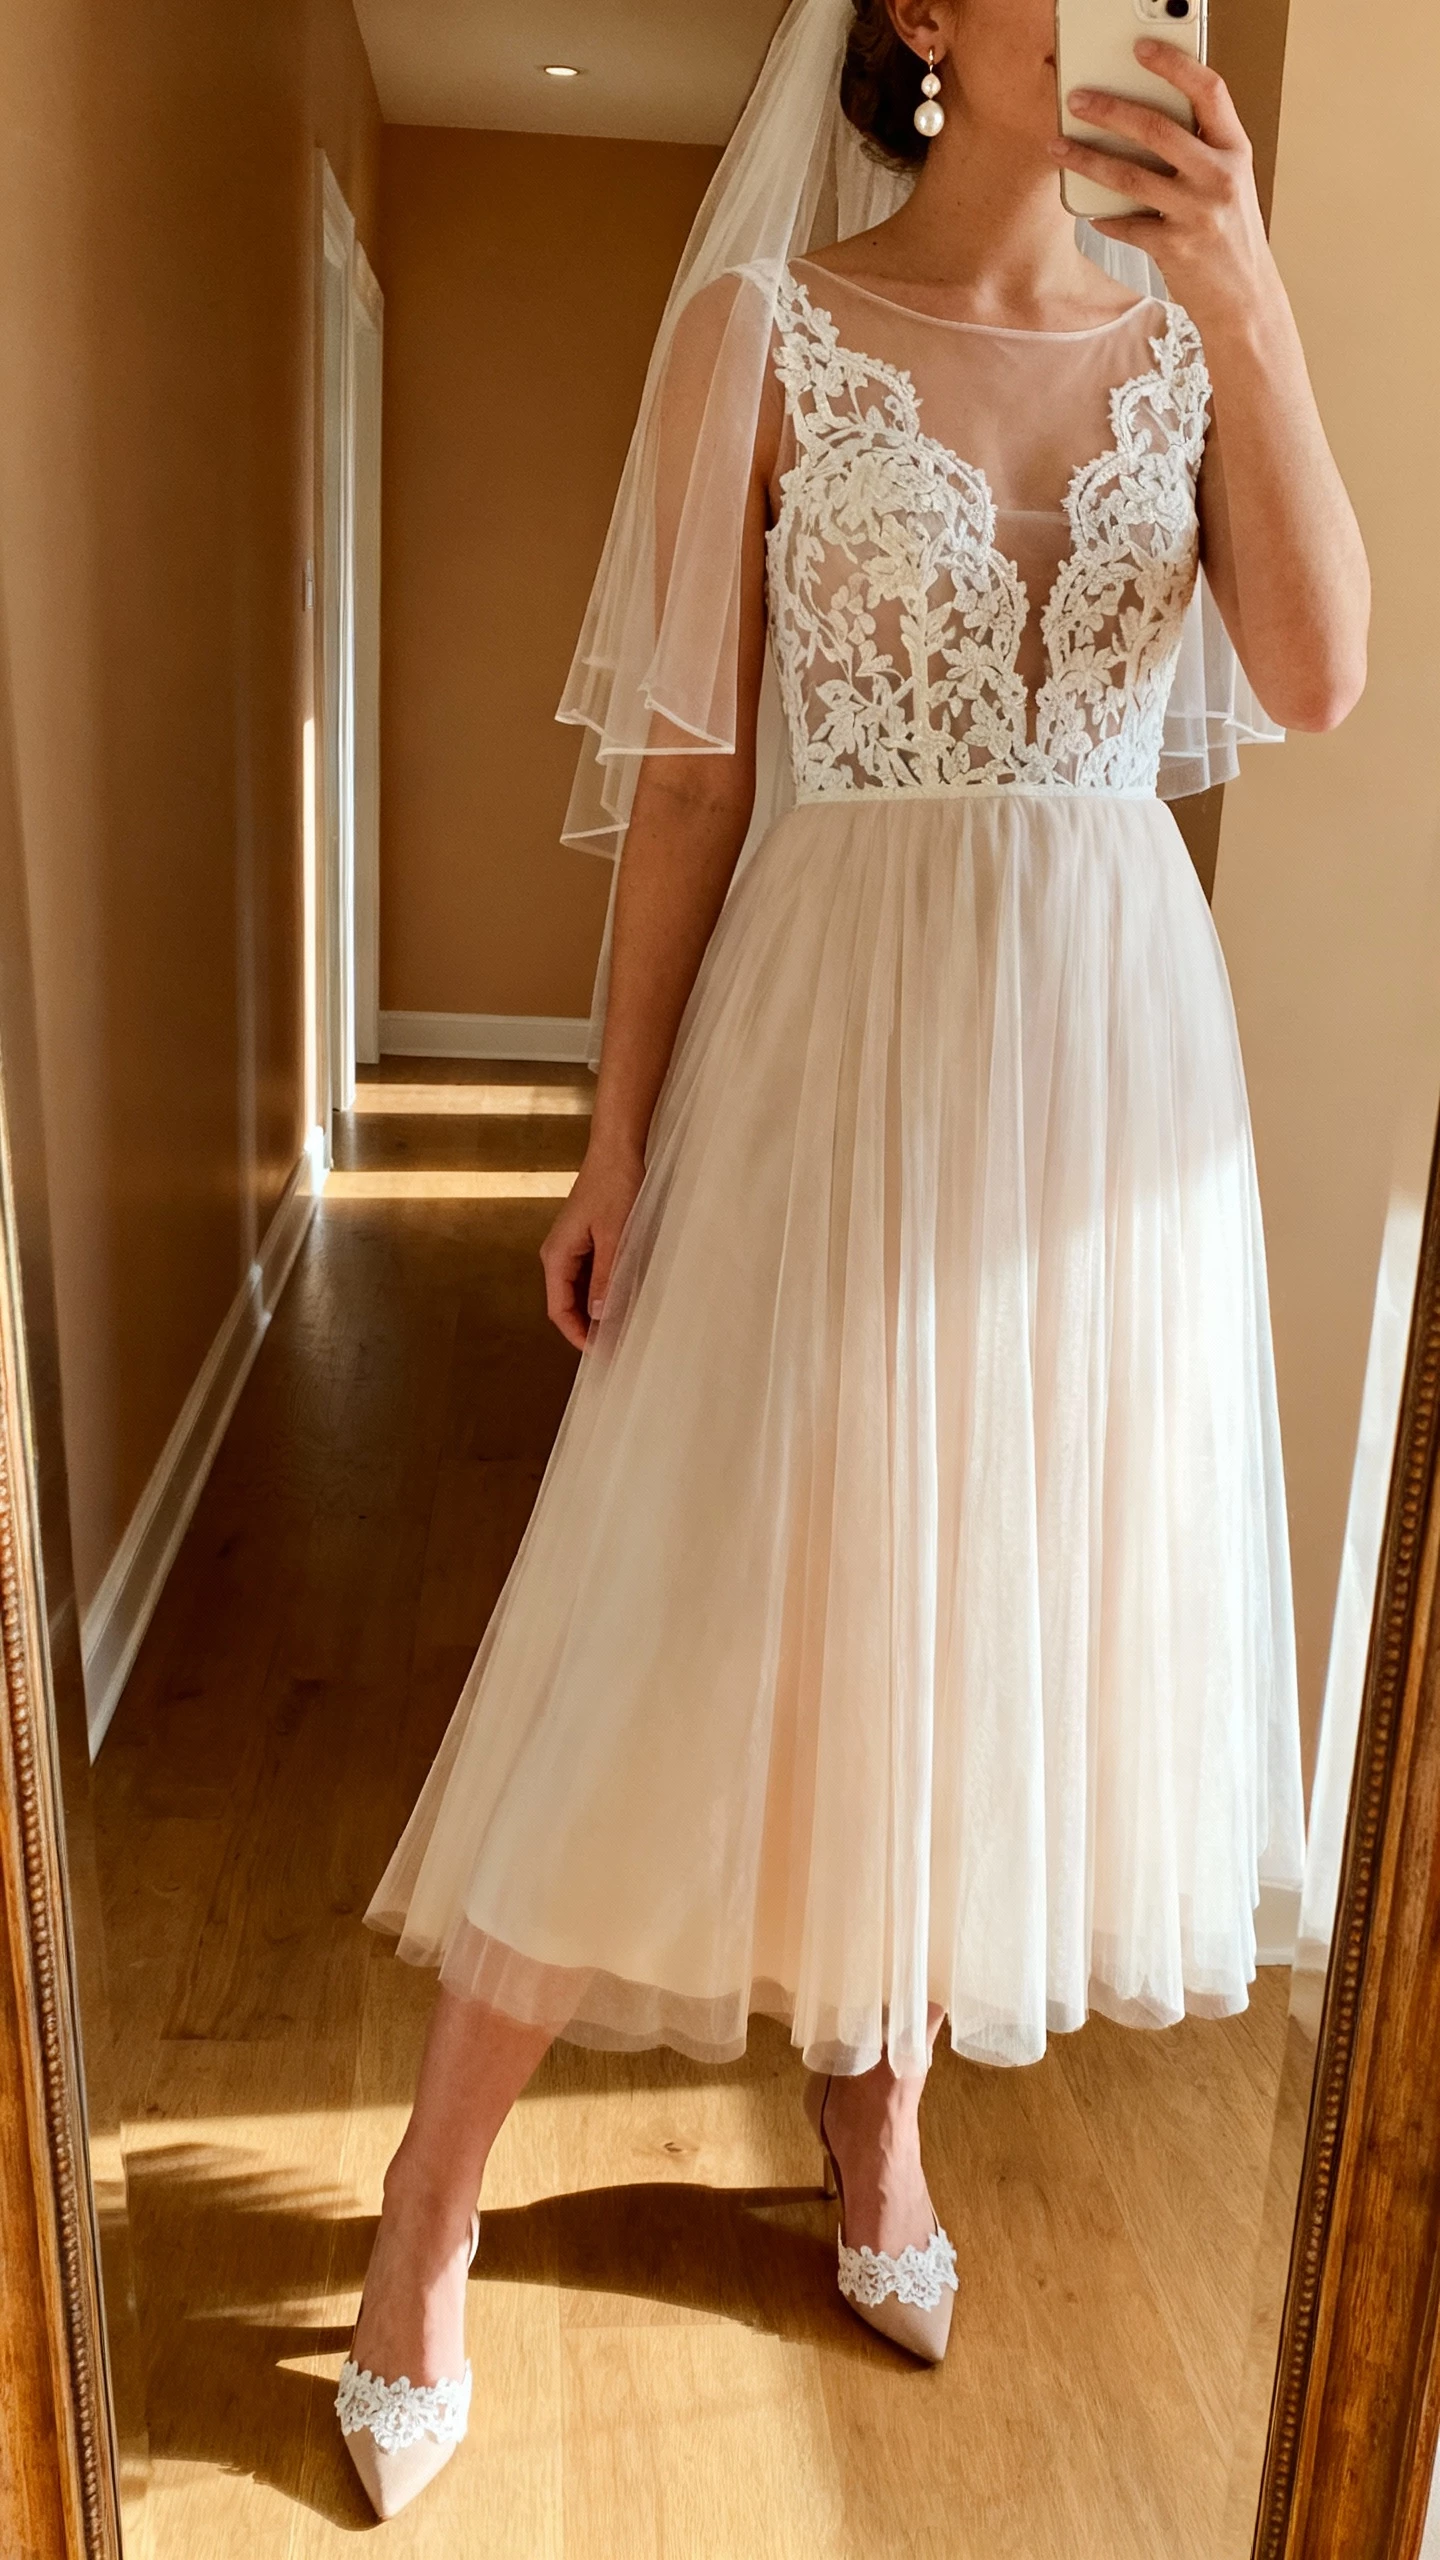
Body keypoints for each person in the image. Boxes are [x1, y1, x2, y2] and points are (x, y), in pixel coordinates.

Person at [335, 0, 1368, 2518]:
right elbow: (690, 780)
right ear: (927, 10)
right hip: (829, 1031)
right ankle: (421, 2216)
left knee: (982, 1583)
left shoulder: (1198, 332)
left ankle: (880, 2126)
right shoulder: (760, 339)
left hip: (1105, 1074)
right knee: (683, 1591)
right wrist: (611, 1144)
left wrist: (1248, 292)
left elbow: (1323, 679)